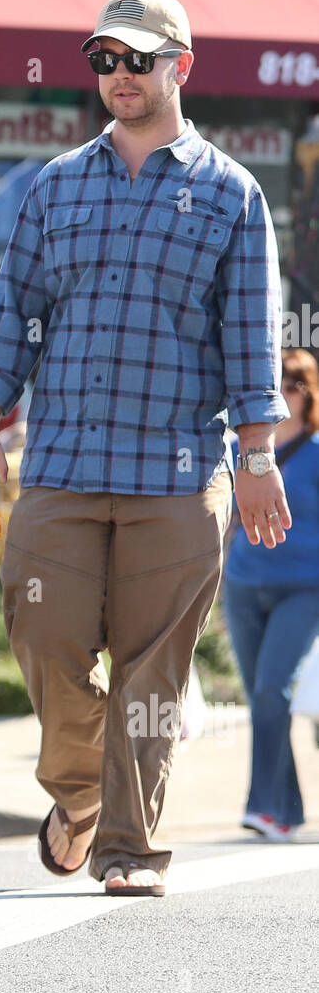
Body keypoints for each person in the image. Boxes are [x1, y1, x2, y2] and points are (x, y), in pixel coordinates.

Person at [0, 0, 290, 896]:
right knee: (43, 632)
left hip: (178, 476)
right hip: (59, 467)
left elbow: (250, 336)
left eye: (138, 58)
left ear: (182, 65)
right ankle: (80, 790)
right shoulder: (55, 185)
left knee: (153, 677)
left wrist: (256, 458)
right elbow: (13, 317)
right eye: (105, 59)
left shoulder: (231, 192)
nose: (120, 75)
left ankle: (130, 849)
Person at [222, 348, 319, 840]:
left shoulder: (318, 451)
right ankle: (287, 812)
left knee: (270, 691)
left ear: (304, 395)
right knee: (262, 701)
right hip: (243, 586)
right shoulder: (248, 452)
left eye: (286, 386)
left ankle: (262, 806)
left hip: (303, 589)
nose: (276, 395)